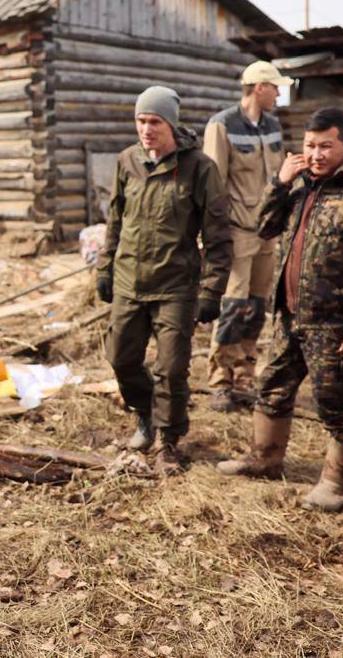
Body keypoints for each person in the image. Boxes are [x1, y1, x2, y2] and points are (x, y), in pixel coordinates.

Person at [217, 107, 343, 512]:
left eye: (325, 146)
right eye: (310, 146)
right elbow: (264, 227)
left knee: (334, 402)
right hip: (289, 316)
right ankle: (265, 458)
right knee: (272, 388)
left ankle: (337, 483)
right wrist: (279, 184)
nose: (316, 154)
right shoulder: (301, 187)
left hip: (334, 324)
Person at [95, 85, 232, 474]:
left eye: (154, 121)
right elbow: (115, 221)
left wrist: (211, 291)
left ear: (171, 124)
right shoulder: (127, 162)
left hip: (176, 286)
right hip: (128, 282)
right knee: (121, 358)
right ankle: (144, 415)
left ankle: (169, 440)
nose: (146, 129)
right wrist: (104, 269)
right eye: (140, 120)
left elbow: (220, 238)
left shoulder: (200, 168)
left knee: (171, 368)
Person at [202, 61, 289, 412]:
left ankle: (244, 377)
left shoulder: (273, 126)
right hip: (237, 233)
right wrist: (213, 238)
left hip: (268, 232)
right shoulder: (222, 125)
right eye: (275, 88)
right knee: (233, 306)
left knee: (256, 307)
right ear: (258, 87)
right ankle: (219, 380)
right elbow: (213, 185)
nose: (279, 93)